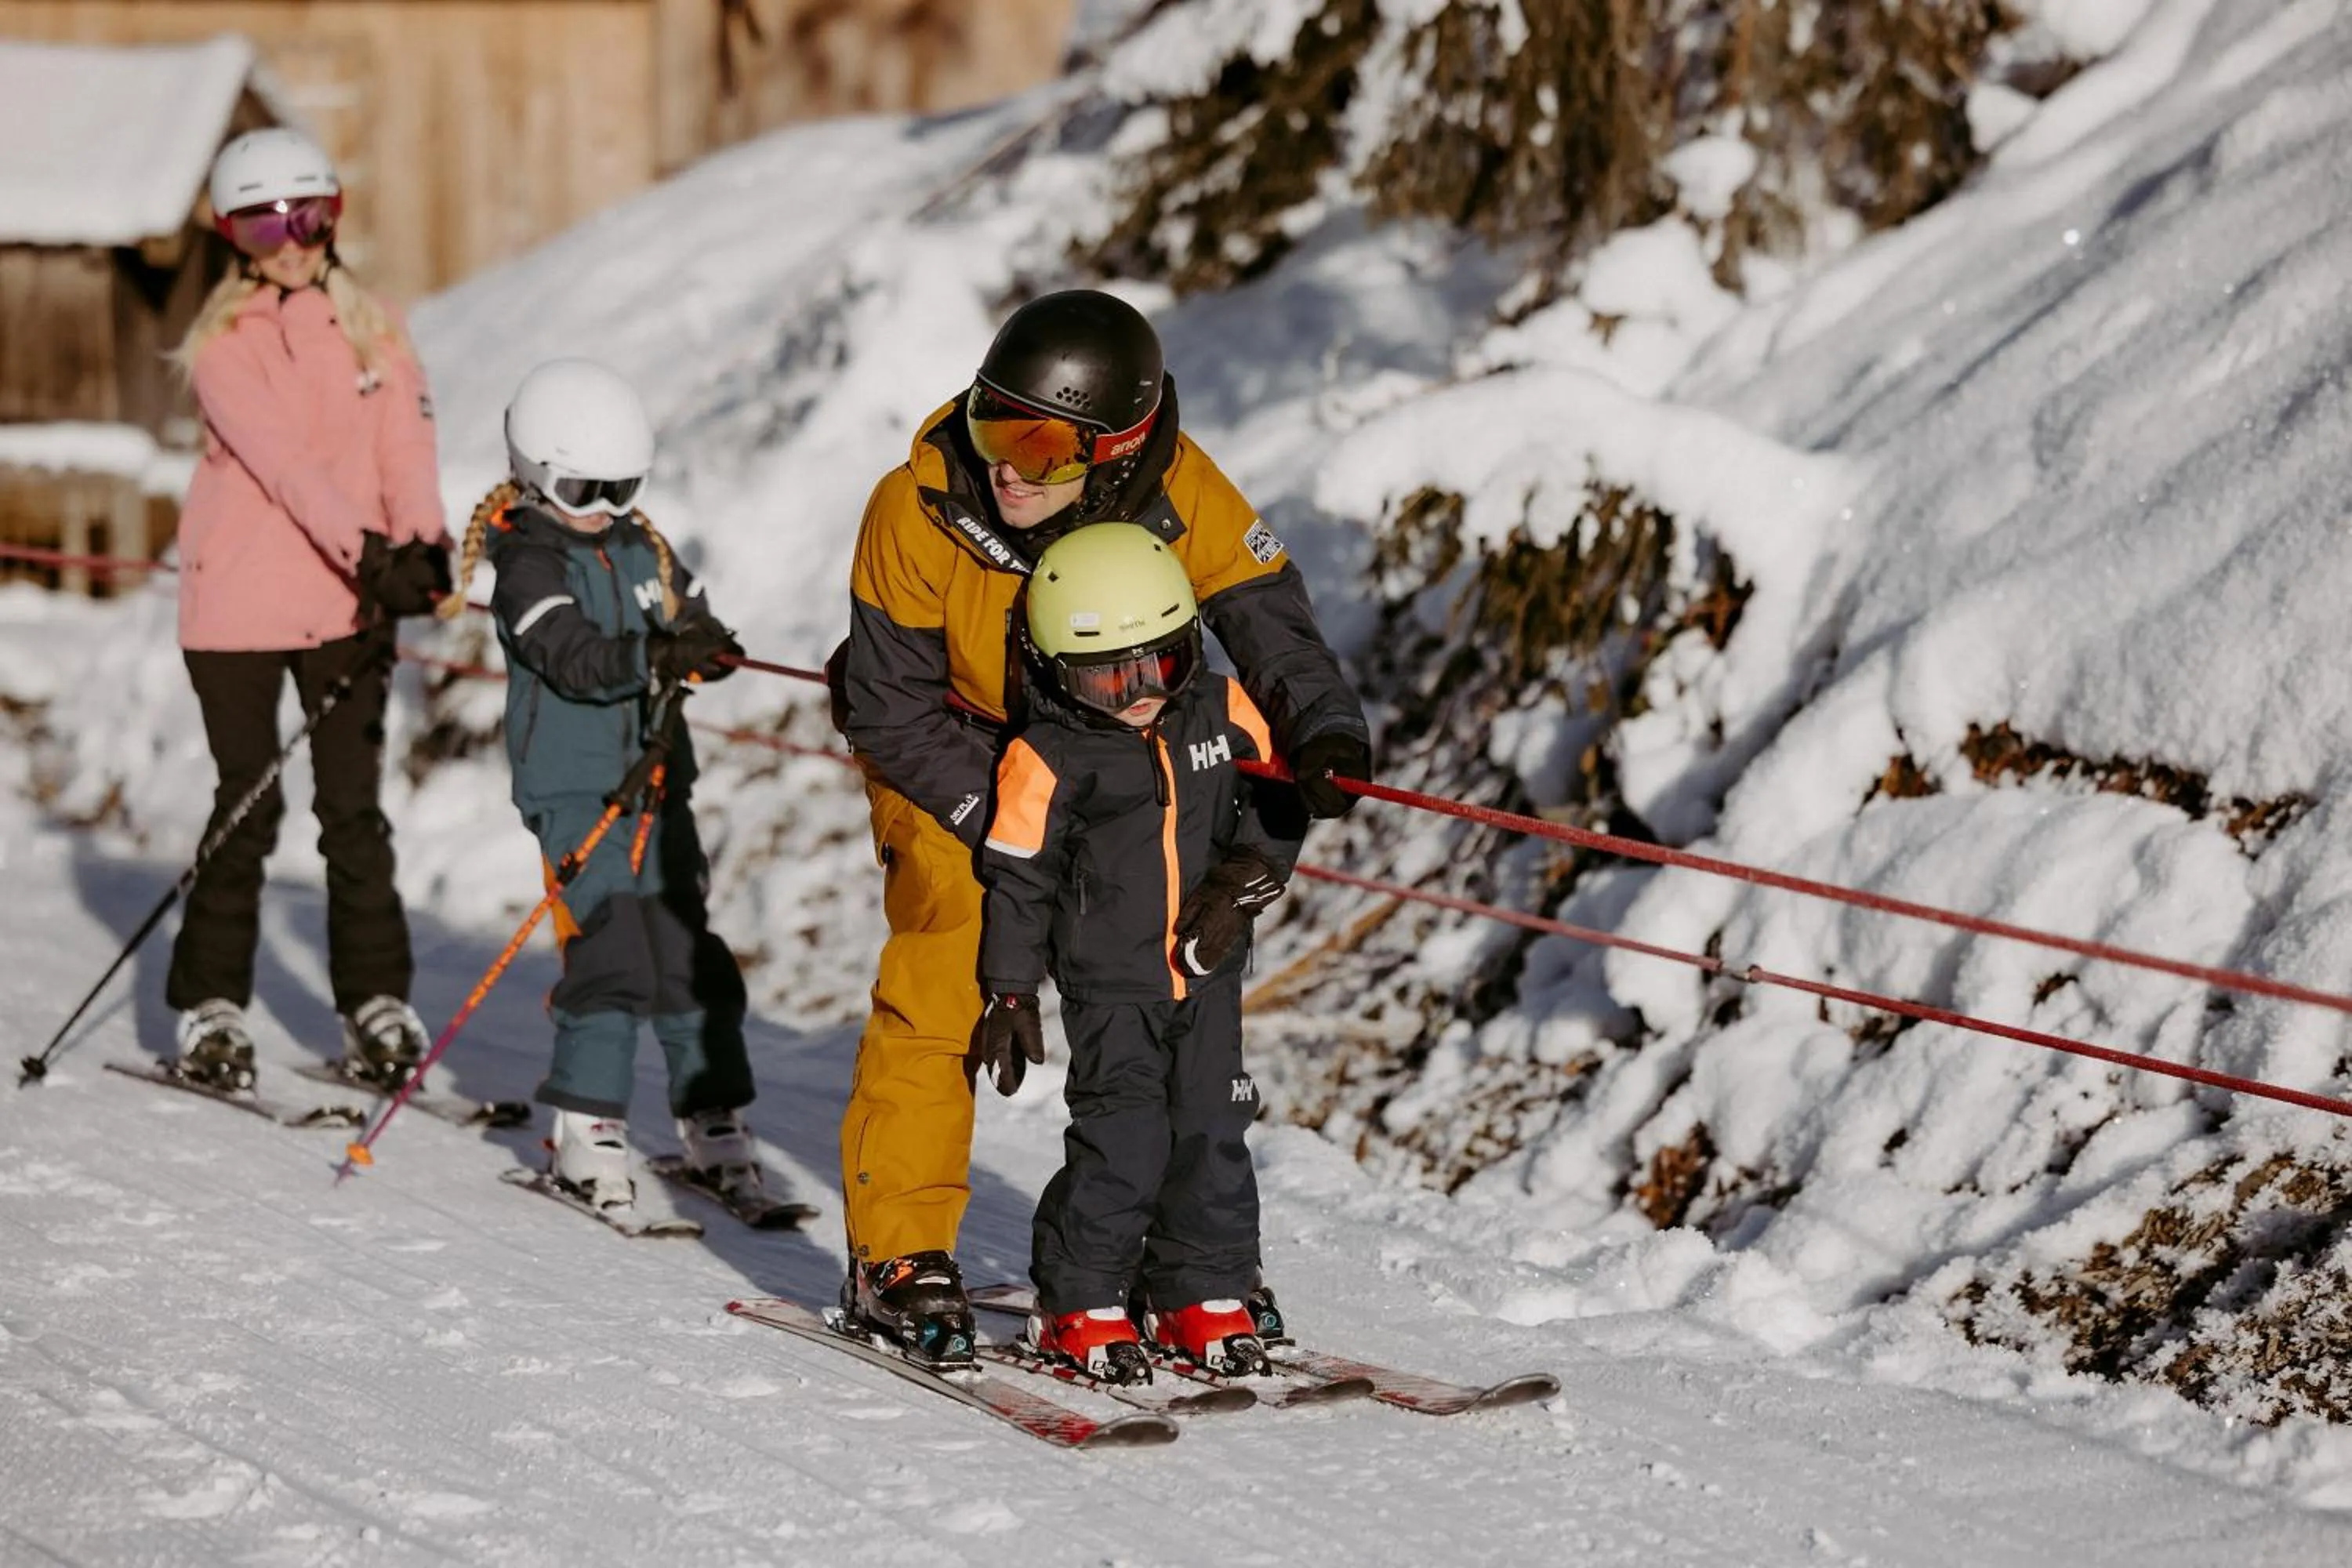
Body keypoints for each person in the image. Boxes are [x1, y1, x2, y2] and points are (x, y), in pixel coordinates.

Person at [835, 287, 1372, 1362]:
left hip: (1120, 744)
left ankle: (1189, 1261)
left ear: (1118, 447)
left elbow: (1265, 611)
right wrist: (1018, 821)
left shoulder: (1178, 485)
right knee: (953, 952)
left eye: (1043, 447)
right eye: (995, 423)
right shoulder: (918, 505)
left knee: (1171, 990)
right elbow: (887, 707)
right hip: (955, 747)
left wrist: (1323, 729)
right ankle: (899, 1252)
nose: (1009, 468)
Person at [976, 523, 1303, 1382]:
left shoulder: (1222, 708)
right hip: (1110, 986)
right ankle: (1080, 1299)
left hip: (1209, 971)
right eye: (1108, 678)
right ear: (1055, 669)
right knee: (1124, 1139)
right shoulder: (1047, 755)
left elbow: (1283, 800)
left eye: (1160, 665)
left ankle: (1202, 1287)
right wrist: (1010, 992)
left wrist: (1244, 881)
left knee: (1212, 1128)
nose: (1140, 694)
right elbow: (1017, 879)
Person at [165, 128, 452, 1094]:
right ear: (232, 236)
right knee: (249, 802)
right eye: (263, 225)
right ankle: (211, 1003)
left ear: (334, 215)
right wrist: (372, 554)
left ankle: (375, 1002)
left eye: (308, 216)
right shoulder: (222, 348)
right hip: (239, 603)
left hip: (347, 608)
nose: (290, 242)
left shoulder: (378, 326)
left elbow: (406, 447)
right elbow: (286, 467)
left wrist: (424, 545)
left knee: (353, 814)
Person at [445, 357, 762, 1217]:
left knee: (686, 950)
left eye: (624, 489)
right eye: (586, 490)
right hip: (576, 788)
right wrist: (656, 655)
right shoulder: (527, 561)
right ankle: (587, 1128)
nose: (607, 509)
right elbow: (572, 656)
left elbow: (687, 610)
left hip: (658, 779)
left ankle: (712, 1116)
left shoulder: (639, 545)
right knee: (613, 948)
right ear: (534, 475)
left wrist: (705, 643)